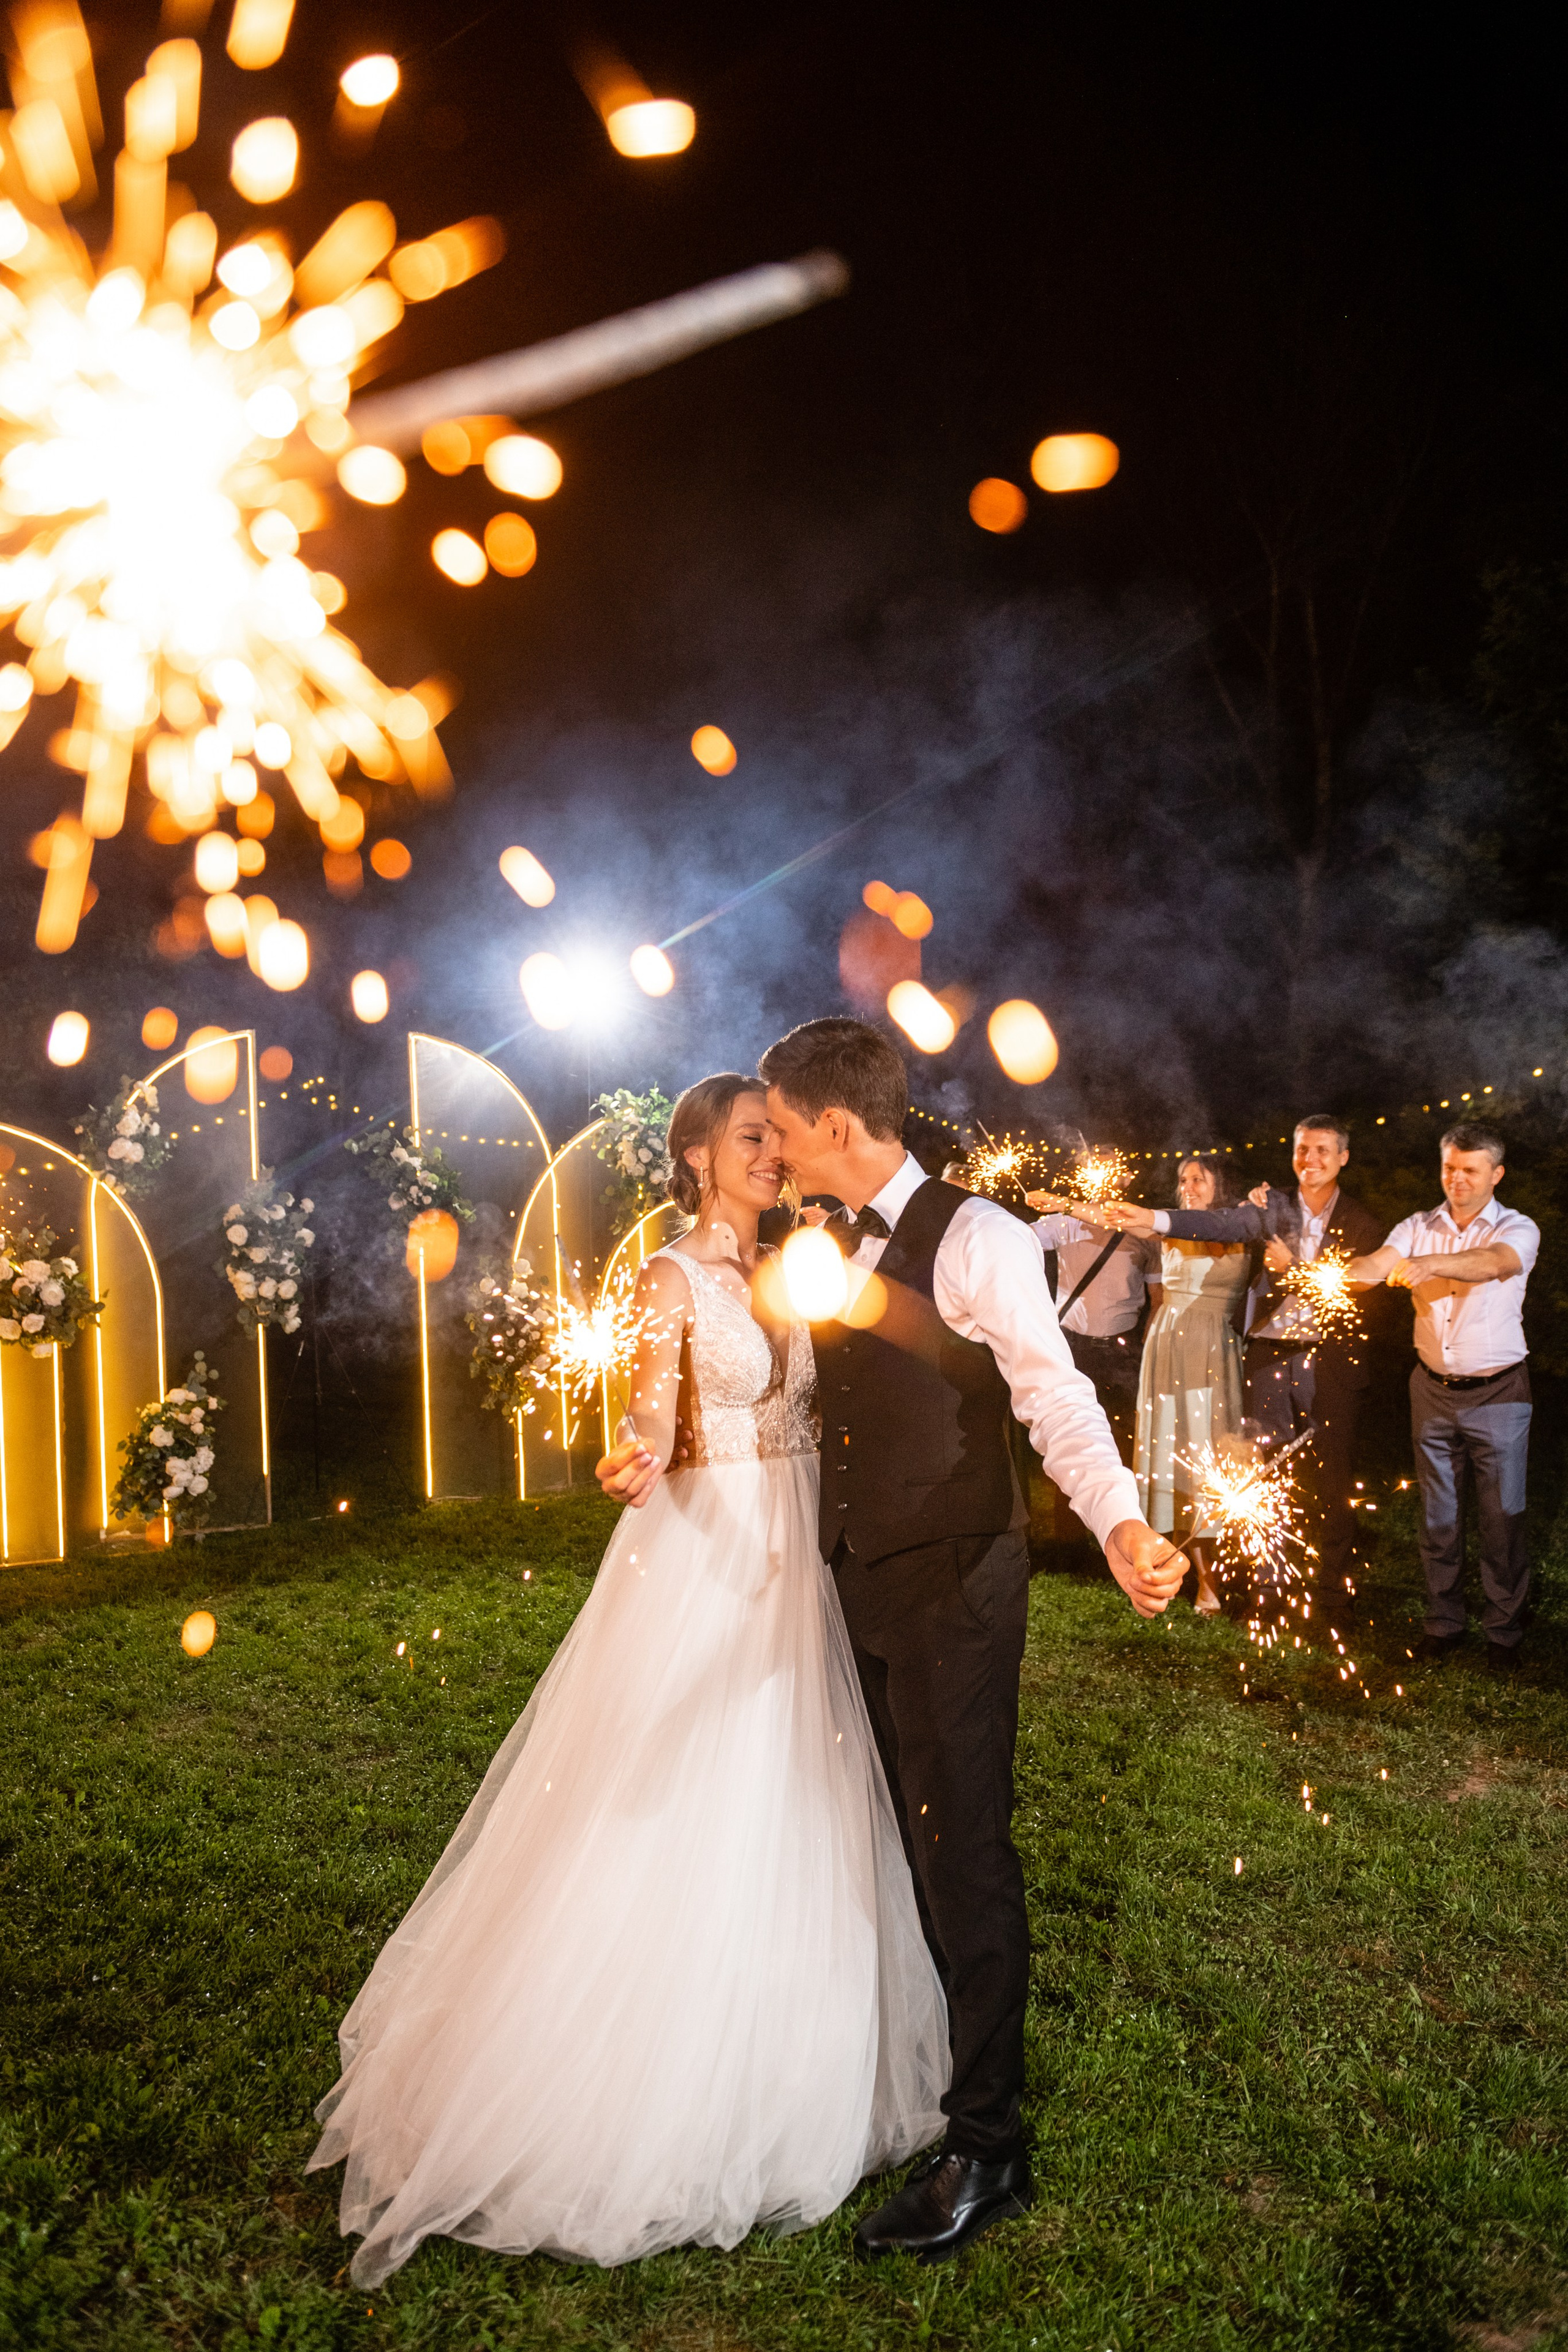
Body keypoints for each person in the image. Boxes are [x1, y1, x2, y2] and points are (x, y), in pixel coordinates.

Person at [308, 1077, 950, 2280]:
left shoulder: (797, 1264)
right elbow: (653, 1409)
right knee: (685, 1787)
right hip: (712, 1552)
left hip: (800, 1552)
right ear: (697, 1156)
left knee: (799, 1787)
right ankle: (627, 2078)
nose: (774, 1153)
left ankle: (790, 2055)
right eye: (752, 1137)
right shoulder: (668, 1279)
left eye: (778, 1137)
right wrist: (640, 1452)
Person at [651, 1016, 1181, 2267]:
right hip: (857, 1579)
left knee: (962, 1855)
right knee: (894, 1838)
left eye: (782, 1127)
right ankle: (914, 2083)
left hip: (952, 1582)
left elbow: (1052, 1394)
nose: (772, 1148)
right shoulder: (815, 1238)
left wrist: (1116, 1522)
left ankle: (988, 2148)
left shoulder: (981, 1238)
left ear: (834, 1125)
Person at [1107, 1116, 1384, 1619]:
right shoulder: (1270, 1205)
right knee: (1265, 1477)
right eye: (1303, 1150)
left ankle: (1333, 1596)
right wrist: (1155, 1218)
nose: (1310, 1160)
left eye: (1322, 1150)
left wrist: (1294, 1268)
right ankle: (1269, 1590)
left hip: (1329, 1360)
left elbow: (1364, 1291)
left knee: (1334, 1479)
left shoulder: (1363, 1222)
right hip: (1271, 1355)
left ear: (1343, 1157)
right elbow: (1221, 1225)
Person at [1344, 1123, 1539, 1672]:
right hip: (1431, 1390)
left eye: (1470, 1170)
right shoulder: (1417, 1226)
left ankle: (1504, 1630)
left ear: (1496, 1174)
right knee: (1438, 1517)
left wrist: (1429, 1265)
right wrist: (1345, 1274)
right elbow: (1377, 1264)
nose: (1457, 1179)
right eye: (1450, 1167)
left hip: (1499, 1394)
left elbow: (1494, 1262)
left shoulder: (1517, 1227)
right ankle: (1444, 1623)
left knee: (1502, 1519)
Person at [1123, 1153, 1252, 1614]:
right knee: (1170, 1455)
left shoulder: (1239, 1223)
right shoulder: (1168, 1227)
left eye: (1199, 1178)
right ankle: (1180, 1567)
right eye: (1183, 1179)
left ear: (1220, 1184)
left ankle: (1221, 1576)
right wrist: (1066, 1204)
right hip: (1167, 1347)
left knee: (1208, 1454)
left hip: (1211, 1351)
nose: (1189, 1186)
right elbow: (1124, 1218)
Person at [1023, 1175, 1162, 1457]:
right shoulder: (1065, 1223)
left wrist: (1151, 1347)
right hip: (1072, 1349)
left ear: (1125, 1182)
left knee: (1121, 1431)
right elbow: (1016, 1239)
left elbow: (1158, 1297)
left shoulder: (1142, 1232)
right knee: (1069, 1430)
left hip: (1122, 1351)